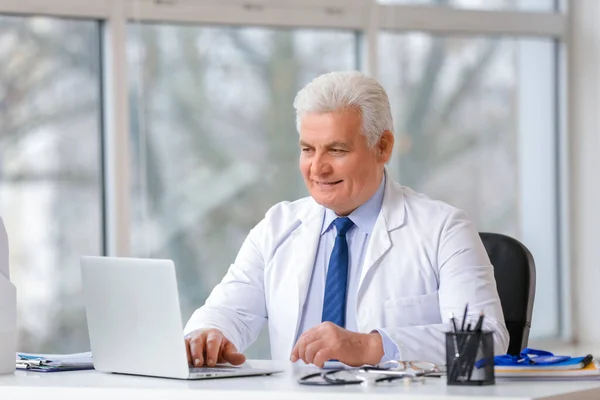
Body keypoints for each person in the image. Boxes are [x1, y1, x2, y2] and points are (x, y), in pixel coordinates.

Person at [183, 71, 509, 368]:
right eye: (308, 149)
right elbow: (228, 311)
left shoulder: (443, 229)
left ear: (382, 147)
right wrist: (208, 334)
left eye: (336, 150)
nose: (318, 167)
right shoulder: (277, 226)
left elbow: (487, 341)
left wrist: (373, 346)